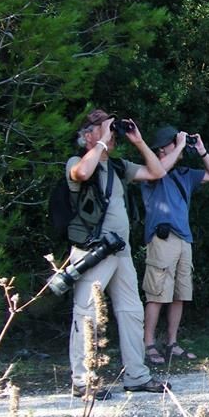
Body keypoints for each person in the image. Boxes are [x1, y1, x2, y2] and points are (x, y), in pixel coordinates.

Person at [65, 109, 170, 399]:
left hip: (120, 252)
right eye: (103, 127)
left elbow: (157, 172)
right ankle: (82, 381)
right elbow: (82, 173)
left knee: (132, 312)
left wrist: (138, 141)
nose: (111, 134)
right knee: (87, 315)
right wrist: (99, 141)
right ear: (88, 135)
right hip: (94, 251)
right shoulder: (77, 161)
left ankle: (136, 375)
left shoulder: (118, 166)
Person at [140, 126, 209, 364]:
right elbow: (159, 170)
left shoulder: (184, 173)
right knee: (156, 294)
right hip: (162, 239)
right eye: (171, 144)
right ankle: (148, 344)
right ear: (161, 149)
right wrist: (178, 146)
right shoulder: (152, 170)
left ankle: (172, 343)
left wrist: (202, 150)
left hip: (184, 239)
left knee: (180, 294)